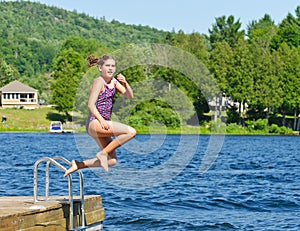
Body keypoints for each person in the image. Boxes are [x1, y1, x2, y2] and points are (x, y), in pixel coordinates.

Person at [64, 54, 136, 177]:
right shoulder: (99, 82)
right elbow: (90, 105)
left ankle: (79, 165)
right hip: (94, 122)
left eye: (113, 66)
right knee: (131, 132)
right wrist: (101, 120)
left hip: (101, 123)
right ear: (100, 68)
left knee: (112, 161)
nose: (111, 68)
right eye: (107, 65)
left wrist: (125, 84)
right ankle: (102, 154)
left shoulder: (114, 82)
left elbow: (130, 96)